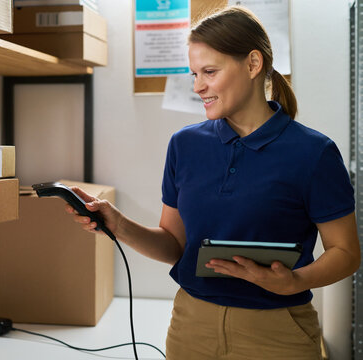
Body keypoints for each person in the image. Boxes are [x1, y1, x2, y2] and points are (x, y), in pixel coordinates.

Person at [65, 5, 361, 360]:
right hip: (191, 325)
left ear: (253, 64)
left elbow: (346, 253)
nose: (197, 86)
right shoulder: (184, 145)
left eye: (209, 71)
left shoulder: (314, 153)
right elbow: (174, 245)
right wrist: (119, 225)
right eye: (194, 74)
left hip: (278, 332)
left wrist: (296, 281)